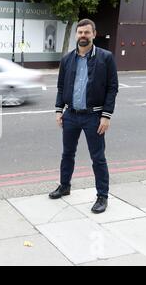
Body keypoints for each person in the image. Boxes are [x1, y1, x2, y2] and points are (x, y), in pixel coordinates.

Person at [49, 18, 119, 214]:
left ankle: (102, 196)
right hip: (70, 114)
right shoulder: (67, 59)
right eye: (80, 33)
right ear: (76, 35)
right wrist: (58, 110)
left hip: (94, 117)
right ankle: (65, 186)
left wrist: (106, 116)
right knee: (67, 154)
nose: (83, 36)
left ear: (94, 34)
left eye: (87, 32)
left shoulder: (106, 58)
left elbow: (112, 88)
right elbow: (61, 87)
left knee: (98, 157)